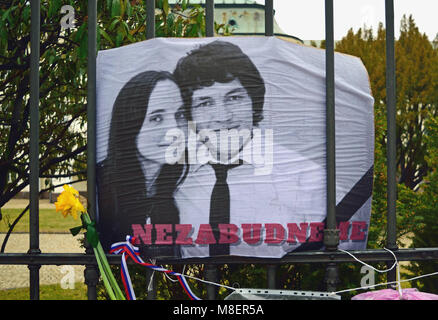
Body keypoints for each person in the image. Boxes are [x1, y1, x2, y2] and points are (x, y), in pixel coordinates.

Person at [173, 40, 326, 258]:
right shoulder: (172, 177)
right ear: (189, 114)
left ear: (254, 100)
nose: (223, 116)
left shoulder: (305, 176)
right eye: (205, 103)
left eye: (234, 98)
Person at [96, 70, 188, 258]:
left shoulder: (180, 187)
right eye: (156, 118)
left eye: (180, 115)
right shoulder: (101, 183)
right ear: (130, 123)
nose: (174, 130)